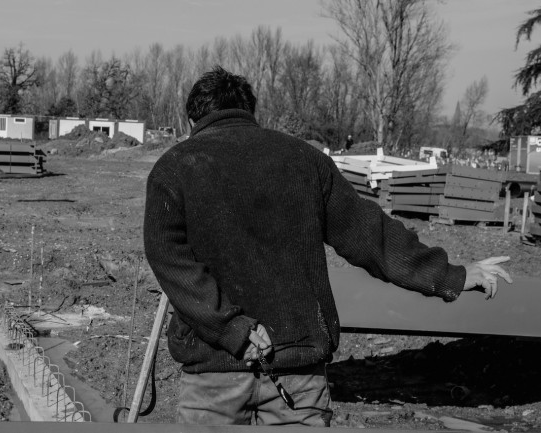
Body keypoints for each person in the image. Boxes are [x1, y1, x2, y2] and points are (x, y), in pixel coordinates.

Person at [142, 66, 512, 427]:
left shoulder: (173, 168)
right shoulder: (306, 161)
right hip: (298, 374)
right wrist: (453, 276)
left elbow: (169, 260)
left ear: (194, 116)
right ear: (250, 110)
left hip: (214, 374)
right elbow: (370, 235)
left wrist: (230, 328)